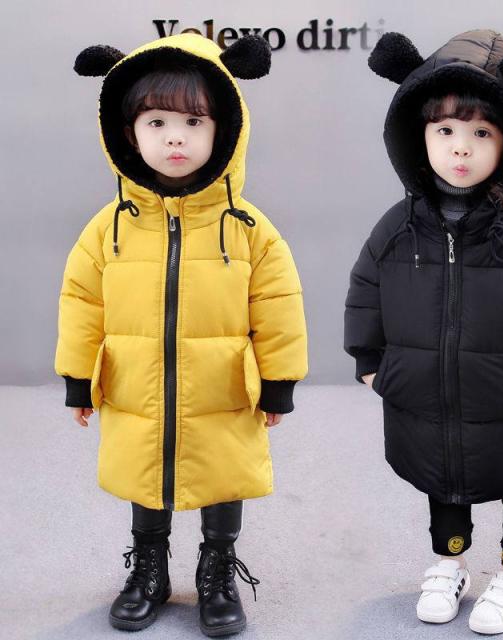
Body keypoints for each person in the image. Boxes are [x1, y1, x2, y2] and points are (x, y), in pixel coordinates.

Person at [55, 33, 308, 637]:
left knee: (223, 473)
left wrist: (278, 383)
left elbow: (278, 305)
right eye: (157, 122)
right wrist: (78, 379)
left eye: (194, 122)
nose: (175, 137)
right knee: (145, 471)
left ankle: (217, 568)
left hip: (223, 389)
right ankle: (149, 569)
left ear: (225, 130)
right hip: (136, 387)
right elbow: (82, 301)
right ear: (127, 132)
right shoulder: (109, 228)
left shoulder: (248, 229)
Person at [344, 29, 503, 634]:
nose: (460, 147)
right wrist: (371, 362)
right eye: (445, 130)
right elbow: (366, 290)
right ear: (417, 136)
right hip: (423, 390)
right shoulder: (398, 228)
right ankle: (450, 562)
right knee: (442, 477)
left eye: (481, 133)